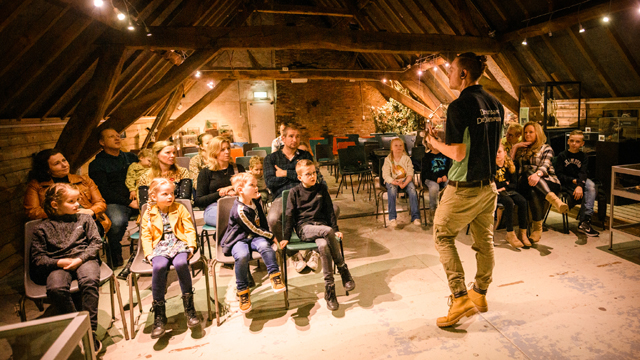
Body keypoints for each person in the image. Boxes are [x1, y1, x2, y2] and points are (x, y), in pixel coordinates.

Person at [425, 53, 503, 328]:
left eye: (451, 69)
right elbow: (494, 149)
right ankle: (480, 294)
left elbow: (457, 153)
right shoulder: (495, 103)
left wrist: (435, 145)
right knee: (485, 242)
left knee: (442, 235)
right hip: (488, 187)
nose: (448, 74)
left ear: (463, 75)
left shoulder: (459, 106)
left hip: (464, 188)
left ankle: (459, 297)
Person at [30, 183, 103, 352]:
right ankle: (78, 327)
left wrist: (80, 258)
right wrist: (58, 262)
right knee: (56, 288)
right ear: (55, 205)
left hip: (83, 259)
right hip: (58, 263)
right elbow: (38, 258)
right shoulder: (42, 228)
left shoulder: (84, 219)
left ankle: (90, 331)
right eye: (71, 201)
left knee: (90, 281)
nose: (77, 204)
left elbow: (96, 242)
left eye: (77, 200)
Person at [283, 160, 355, 311]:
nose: (312, 176)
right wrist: (285, 237)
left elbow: (330, 211)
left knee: (323, 246)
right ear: (300, 177)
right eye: (308, 174)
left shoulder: (321, 188)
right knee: (327, 232)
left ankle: (330, 291)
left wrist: (336, 229)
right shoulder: (294, 192)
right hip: (304, 228)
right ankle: (342, 268)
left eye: (314, 173)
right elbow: (289, 216)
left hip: (321, 226)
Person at [264, 123, 335, 273]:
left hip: (307, 196)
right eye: (291, 136)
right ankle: (293, 254)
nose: (294, 140)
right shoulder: (271, 158)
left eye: (297, 136)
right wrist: (297, 177)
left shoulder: (305, 156)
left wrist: (284, 173)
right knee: (272, 219)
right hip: (282, 197)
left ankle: (314, 251)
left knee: (334, 209)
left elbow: (311, 178)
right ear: (283, 138)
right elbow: (271, 182)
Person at [141, 178, 199, 339]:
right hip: (160, 246)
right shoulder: (149, 213)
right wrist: (148, 254)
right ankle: (159, 313)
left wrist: (191, 246)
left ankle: (189, 308)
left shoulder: (180, 208)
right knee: (158, 267)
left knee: (181, 263)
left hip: (179, 243)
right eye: (165, 194)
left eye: (172, 193)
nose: (170, 197)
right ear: (153, 196)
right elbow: (145, 236)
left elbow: (189, 229)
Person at [220, 172, 286, 313]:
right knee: (242, 255)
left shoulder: (256, 201)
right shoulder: (239, 210)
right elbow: (253, 228)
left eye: (256, 185)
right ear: (240, 190)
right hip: (239, 239)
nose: (256, 188)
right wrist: (271, 236)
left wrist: (267, 236)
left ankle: (275, 276)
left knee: (264, 246)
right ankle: (243, 290)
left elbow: (262, 221)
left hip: (255, 236)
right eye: (252, 185)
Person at [25, 149, 110, 237]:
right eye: (57, 163)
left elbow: (100, 203)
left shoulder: (84, 180)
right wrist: (62, 214)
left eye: (64, 160)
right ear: (47, 169)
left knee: (88, 233)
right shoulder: (36, 185)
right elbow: (32, 212)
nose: (64, 165)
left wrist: (91, 211)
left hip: (86, 219)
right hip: (56, 225)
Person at [89, 128, 139, 267]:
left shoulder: (131, 158)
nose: (117, 139)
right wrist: (129, 203)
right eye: (112, 137)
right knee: (116, 223)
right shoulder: (97, 164)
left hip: (137, 197)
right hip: (115, 201)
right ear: (102, 142)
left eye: (118, 136)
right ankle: (115, 252)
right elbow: (104, 191)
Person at [512, 122, 569, 242]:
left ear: (537, 133)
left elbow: (545, 165)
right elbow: (510, 166)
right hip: (524, 183)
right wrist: (515, 147)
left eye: (531, 132)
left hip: (548, 182)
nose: (527, 134)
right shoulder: (520, 148)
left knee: (534, 190)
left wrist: (537, 175)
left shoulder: (546, 148)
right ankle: (554, 201)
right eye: (525, 132)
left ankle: (537, 229)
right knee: (528, 171)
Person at [556, 130, 599, 237]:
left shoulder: (584, 156)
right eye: (572, 141)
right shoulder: (562, 156)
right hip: (567, 181)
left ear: (582, 143)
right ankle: (585, 221)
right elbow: (559, 174)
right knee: (589, 188)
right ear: (568, 142)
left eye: (577, 141)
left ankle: (585, 221)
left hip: (580, 180)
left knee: (591, 186)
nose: (574, 143)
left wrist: (579, 185)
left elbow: (583, 172)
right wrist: (572, 181)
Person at [195, 136, 244, 226]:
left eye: (228, 148)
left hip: (238, 204)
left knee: (240, 216)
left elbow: (248, 187)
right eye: (222, 150)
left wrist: (231, 187)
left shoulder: (238, 168)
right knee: (230, 218)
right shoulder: (206, 172)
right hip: (214, 207)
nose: (227, 152)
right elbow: (199, 201)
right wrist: (220, 193)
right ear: (214, 152)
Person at [495, 144, 530, 248]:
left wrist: (504, 186)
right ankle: (510, 232)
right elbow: (493, 184)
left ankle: (522, 232)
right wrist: (505, 184)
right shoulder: (491, 167)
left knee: (522, 201)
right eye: (495, 152)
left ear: (505, 153)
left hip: (508, 191)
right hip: (495, 193)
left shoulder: (510, 165)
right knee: (509, 202)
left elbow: (514, 184)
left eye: (499, 152)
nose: (497, 154)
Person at [381, 137, 421, 227]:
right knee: (391, 190)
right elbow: (386, 175)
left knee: (412, 189)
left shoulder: (407, 159)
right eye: (396, 145)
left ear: (403, 147)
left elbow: (410, 173)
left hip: (405, 180)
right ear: (392, 148)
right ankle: (392, 218)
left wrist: (405, 183)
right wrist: (394, 182)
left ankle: (415, 217)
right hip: (393, 180)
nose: (398, 147)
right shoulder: (388, 160)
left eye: (400, 145)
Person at [421, 142, 451, 225]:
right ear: (430, 145)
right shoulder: (427, 157)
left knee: (450, 185)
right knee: (434, 187)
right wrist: (435, 178)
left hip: (443, 178)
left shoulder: (445, 155)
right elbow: (425, 173)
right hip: (430, 179)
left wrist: (446, 175)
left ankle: (446, 209)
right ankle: (433, 209)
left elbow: (449, 168)